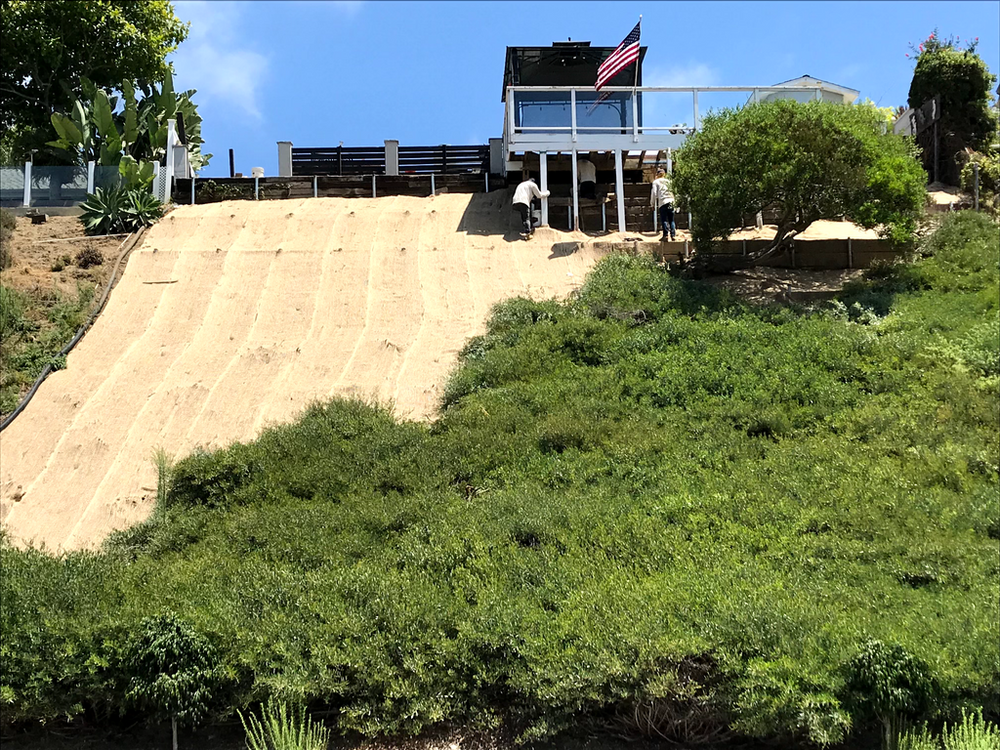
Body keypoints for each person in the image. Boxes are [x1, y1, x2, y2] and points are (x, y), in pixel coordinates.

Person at [650, 168, 676, 241]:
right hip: (671, 201)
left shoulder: (656, 182)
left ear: (657, 175)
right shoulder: (669, 181)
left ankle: (665, 235)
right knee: (671, 220)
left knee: (664, 219)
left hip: (663, 202)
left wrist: (652, 204)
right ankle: (673, 235)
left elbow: (654, 193)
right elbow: (673, 191)